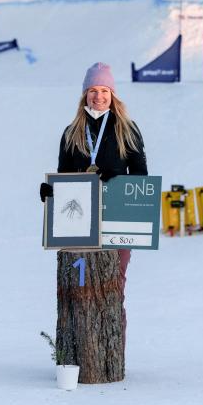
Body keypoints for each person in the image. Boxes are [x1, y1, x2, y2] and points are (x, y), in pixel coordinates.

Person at [40, 62, 148, 339]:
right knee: (79, 289)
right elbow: (64, 176)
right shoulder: (72, 131)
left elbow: (141, 177)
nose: (98, 96)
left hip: (117, 221)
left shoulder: (127, 129)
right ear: (84, 95)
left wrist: (116, 179)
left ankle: (113, 353)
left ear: (112, 94)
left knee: (113, 287)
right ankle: (80, 351)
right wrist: (50, 192)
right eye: (92, 90)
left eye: (104, 90)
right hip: (79, 225)